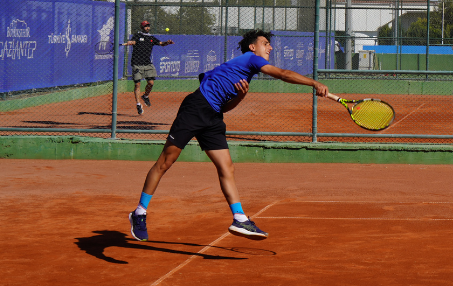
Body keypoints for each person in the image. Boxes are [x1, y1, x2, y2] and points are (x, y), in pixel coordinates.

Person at [129, 30, 328, 242]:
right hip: (195, 109)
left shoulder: (246, 71)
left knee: (226, 167)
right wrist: (313, 83)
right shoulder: (251, 59)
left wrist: (241, 95)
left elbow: (227, 105)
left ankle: (239, 217)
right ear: (253, 47)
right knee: (165, 162)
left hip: (214, 115)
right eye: (265, 43)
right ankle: (139, 212)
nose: (270, 48)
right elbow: (282, 73)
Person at [121, 20, 173, 115]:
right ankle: (138, 104)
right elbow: (133, 41)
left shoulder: (151, 38)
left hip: (147, 64)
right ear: (142, 28)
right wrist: (131, 42)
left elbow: (161, 43)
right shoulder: (137, 35)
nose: (147, 27)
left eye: (148, 26)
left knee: (151, 82)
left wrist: (167, 42)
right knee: (137, 85)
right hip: (137, 64)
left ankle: (145, 96)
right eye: (145, 26)